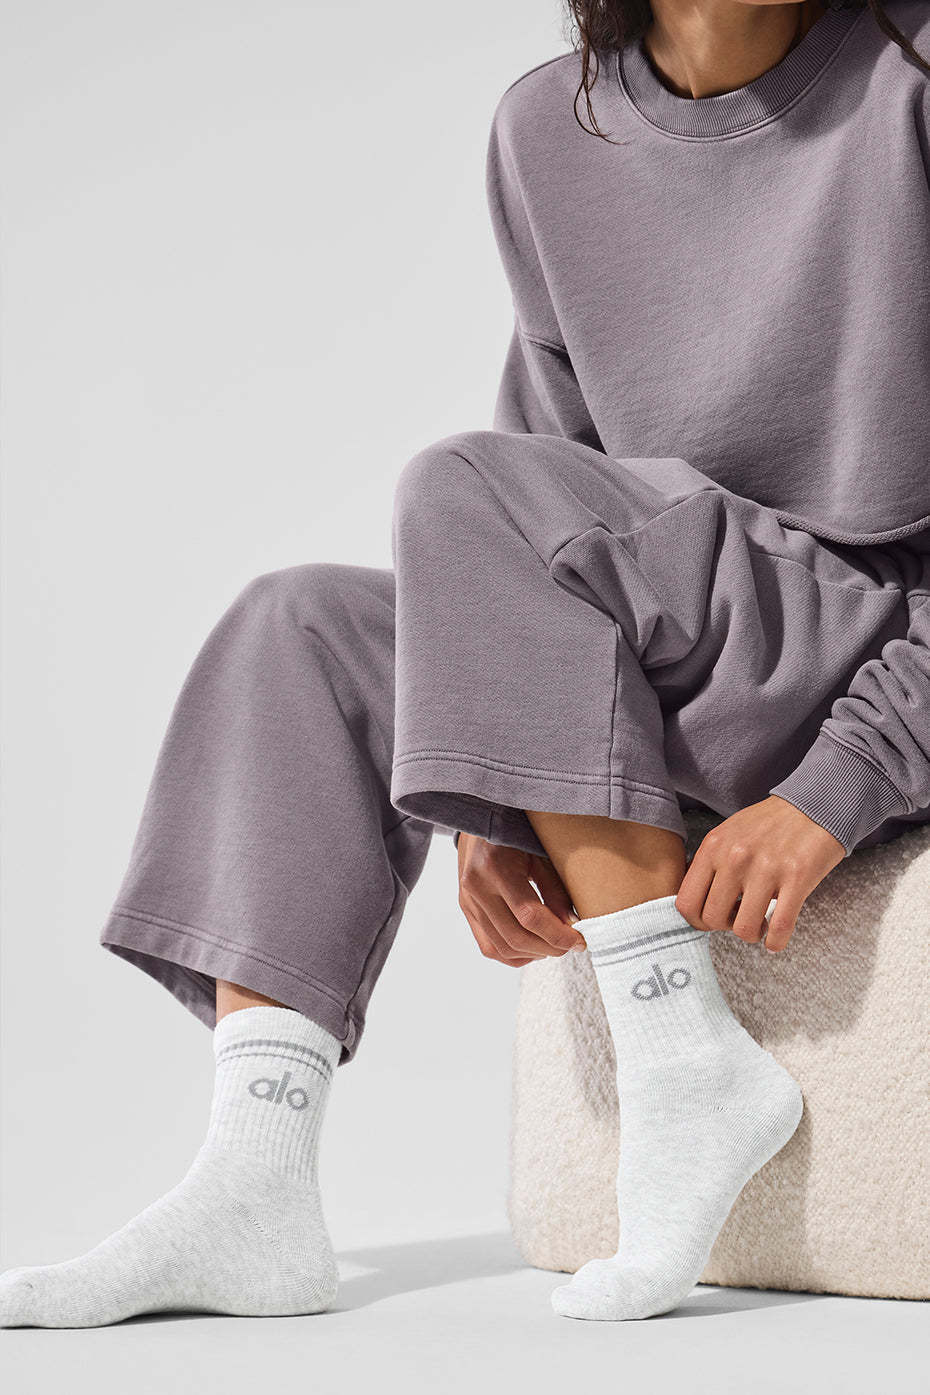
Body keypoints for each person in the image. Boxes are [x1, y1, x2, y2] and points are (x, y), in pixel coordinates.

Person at [2, 0, 929, 1328]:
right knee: (298, 630)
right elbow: (553, 466)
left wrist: (839, 787)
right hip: (684, 630)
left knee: (465, 486)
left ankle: (685, 1063)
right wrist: (491, 793)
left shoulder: (909, 81)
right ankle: (253, 1188)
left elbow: (513, 499)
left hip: (859, 629)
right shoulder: (550, 128)